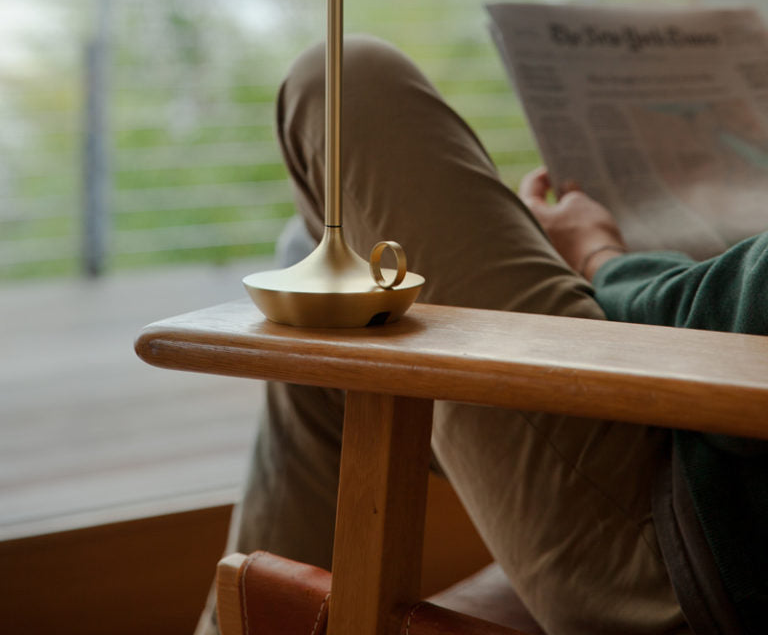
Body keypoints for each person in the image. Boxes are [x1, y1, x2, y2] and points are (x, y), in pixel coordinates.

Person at [201, 36, 768, 635]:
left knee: (344, 81)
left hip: (689, 550)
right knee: (341, 332)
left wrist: (598, 255)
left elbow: (729, 313)